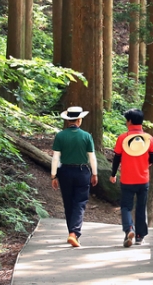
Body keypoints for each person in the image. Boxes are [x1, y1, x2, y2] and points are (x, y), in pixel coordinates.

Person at [51, 106, 98, 247]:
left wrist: (53, 175)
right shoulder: (86, 136)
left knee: (68, 203)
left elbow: (55, 158)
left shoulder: (60, 136)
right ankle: (74, 233)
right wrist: (95, 173)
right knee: (80, 202)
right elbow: (92, 157)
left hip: (64, 172)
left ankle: (72, 233)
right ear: (79, 119)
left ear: (67, 120)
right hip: (82, 172)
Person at [109, 108, 153, 247]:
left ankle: (129, 228)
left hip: (127, 179)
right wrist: (144, 165)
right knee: (141, 207)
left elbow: (117, 158)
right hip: (143, 179)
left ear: (129, 121)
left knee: (126, 206)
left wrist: (113, 174)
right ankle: (140, 236)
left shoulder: (123, 138)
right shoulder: (149, 139)